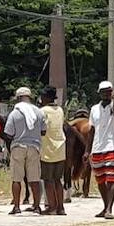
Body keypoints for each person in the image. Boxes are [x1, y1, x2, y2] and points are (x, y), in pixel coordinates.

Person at [85, 81, 114, 220]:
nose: (106, 94)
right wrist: (87, 150)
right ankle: (105, 206)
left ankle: (109, 209)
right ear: (99, 93)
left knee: (111, 178)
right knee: (100, 179)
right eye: (103, 92)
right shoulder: (94, 109)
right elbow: (91, 130)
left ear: (112, 92)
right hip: (97, 147)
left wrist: (113, 100)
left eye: (109, 91)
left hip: (111, 146)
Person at [3, 87, 45, 215]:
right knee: (34, 178)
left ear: (18, 98)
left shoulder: (15, 113)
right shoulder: (38, 112)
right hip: (34, 147)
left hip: (18, 146)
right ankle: (37, 206)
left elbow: (8, 133)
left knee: (17, 179)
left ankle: (16, 206)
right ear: (29, 97)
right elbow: (43, 131)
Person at [39, 87, 66, 215]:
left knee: (48, 180)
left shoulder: (42, 111)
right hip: (60, 148)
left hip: (47, 148)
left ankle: (52, 206)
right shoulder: (60, 110)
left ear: (46, 98)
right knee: (57, 180)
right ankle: (61, 207)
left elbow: (41, 130)